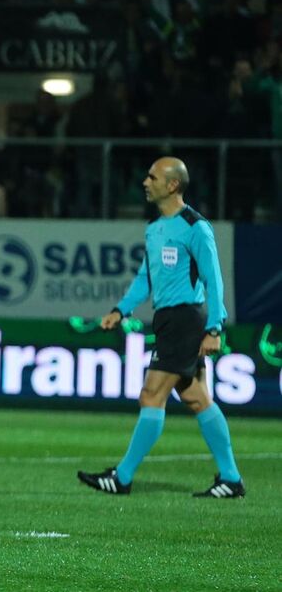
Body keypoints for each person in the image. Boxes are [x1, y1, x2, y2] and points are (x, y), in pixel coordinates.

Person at [77, 157, 244, 498]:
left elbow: (213, 279)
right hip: (168, 320)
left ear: (172, 185)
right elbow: (146, 278)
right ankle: (231, 479)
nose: (145, 182)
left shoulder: (195, 227)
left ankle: (122, 477)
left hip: (186, 319)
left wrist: (215, 328)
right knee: (197, 398)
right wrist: (120, 310)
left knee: (151, 395)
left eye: (152, 177)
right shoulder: (154, 228)